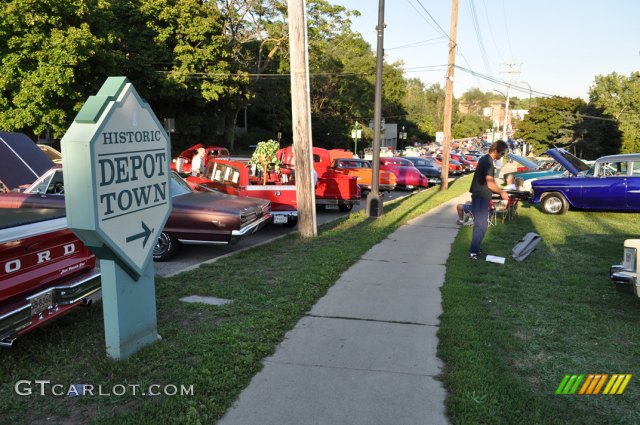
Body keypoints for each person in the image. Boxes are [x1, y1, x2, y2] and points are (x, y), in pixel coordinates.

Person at [469, 140, 509, 260]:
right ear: (496, 151)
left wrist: (499, 189)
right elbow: (490, 185)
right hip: (481, 196)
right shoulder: (488, 163)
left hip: (481, 195)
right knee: (480, 225)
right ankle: (473, 253)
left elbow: (490, 182)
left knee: (483, 225)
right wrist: (502, 192)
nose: (502, 156)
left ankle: (476, 249)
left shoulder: (485, 159)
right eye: (502, 154)